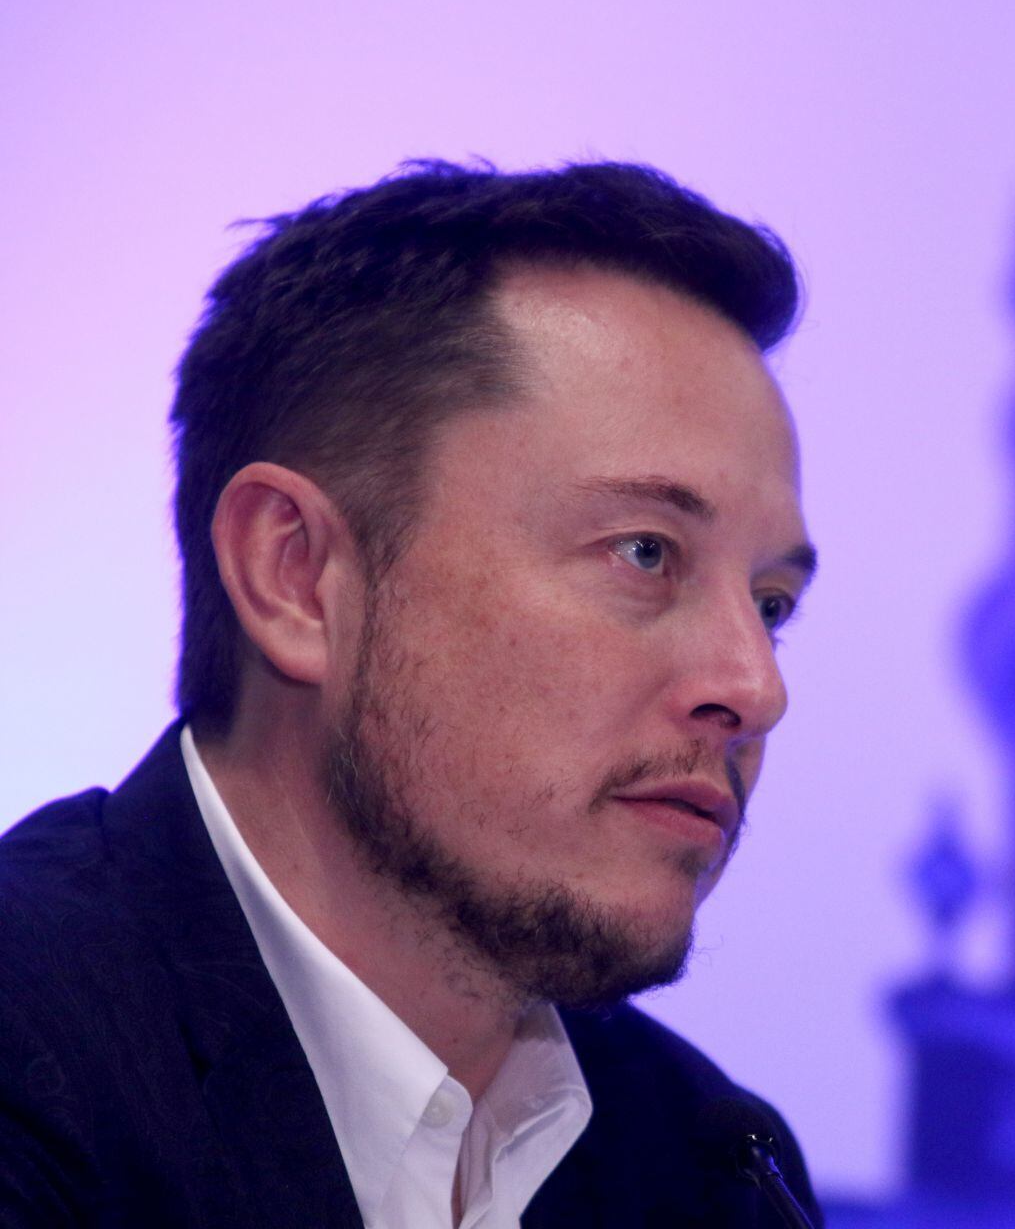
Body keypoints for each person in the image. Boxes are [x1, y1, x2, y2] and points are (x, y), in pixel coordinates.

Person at [0, 160, 824, 1228]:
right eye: (645, 552)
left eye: (771, 603)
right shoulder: (32, 1061)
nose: (756, 688)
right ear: (297, 576)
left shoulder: (710, 1167)